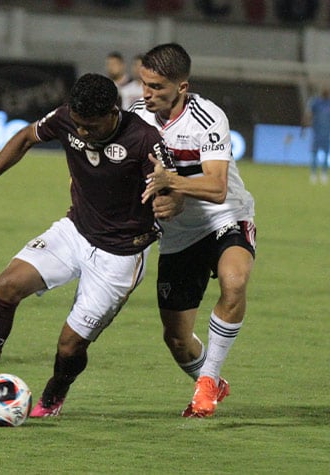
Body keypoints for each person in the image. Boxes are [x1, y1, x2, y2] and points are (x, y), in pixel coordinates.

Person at [0, 73, 176, 418]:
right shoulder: (66, 118)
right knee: (6, 286)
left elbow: (171, 195)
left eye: (90, 127)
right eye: (78, 126)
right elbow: (25, 137)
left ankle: (54, 395)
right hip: (74, 231)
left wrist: (169, 202)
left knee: (70, 345)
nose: (83, 134)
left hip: (120, 255)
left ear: (113, 112)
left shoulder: (145, 141)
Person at [133, 43, 257, 418]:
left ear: (182, 87)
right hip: (178, 234)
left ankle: (208, 381)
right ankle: (210, 380)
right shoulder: (136, 118)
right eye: (144, 84)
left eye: (156, 87)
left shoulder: (208, 117)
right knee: (177, 340)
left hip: (225, 217)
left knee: (233, 282)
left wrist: (174, 186)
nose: (146, 94)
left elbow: (218, 187)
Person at [302, 87, 330, 184]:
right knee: (314, 153)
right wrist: (305, 125)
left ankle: (324, 174)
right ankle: (313, 174)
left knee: (326, 154)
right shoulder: (315, 102)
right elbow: (309, 114)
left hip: (327, 132)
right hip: (316, 131)